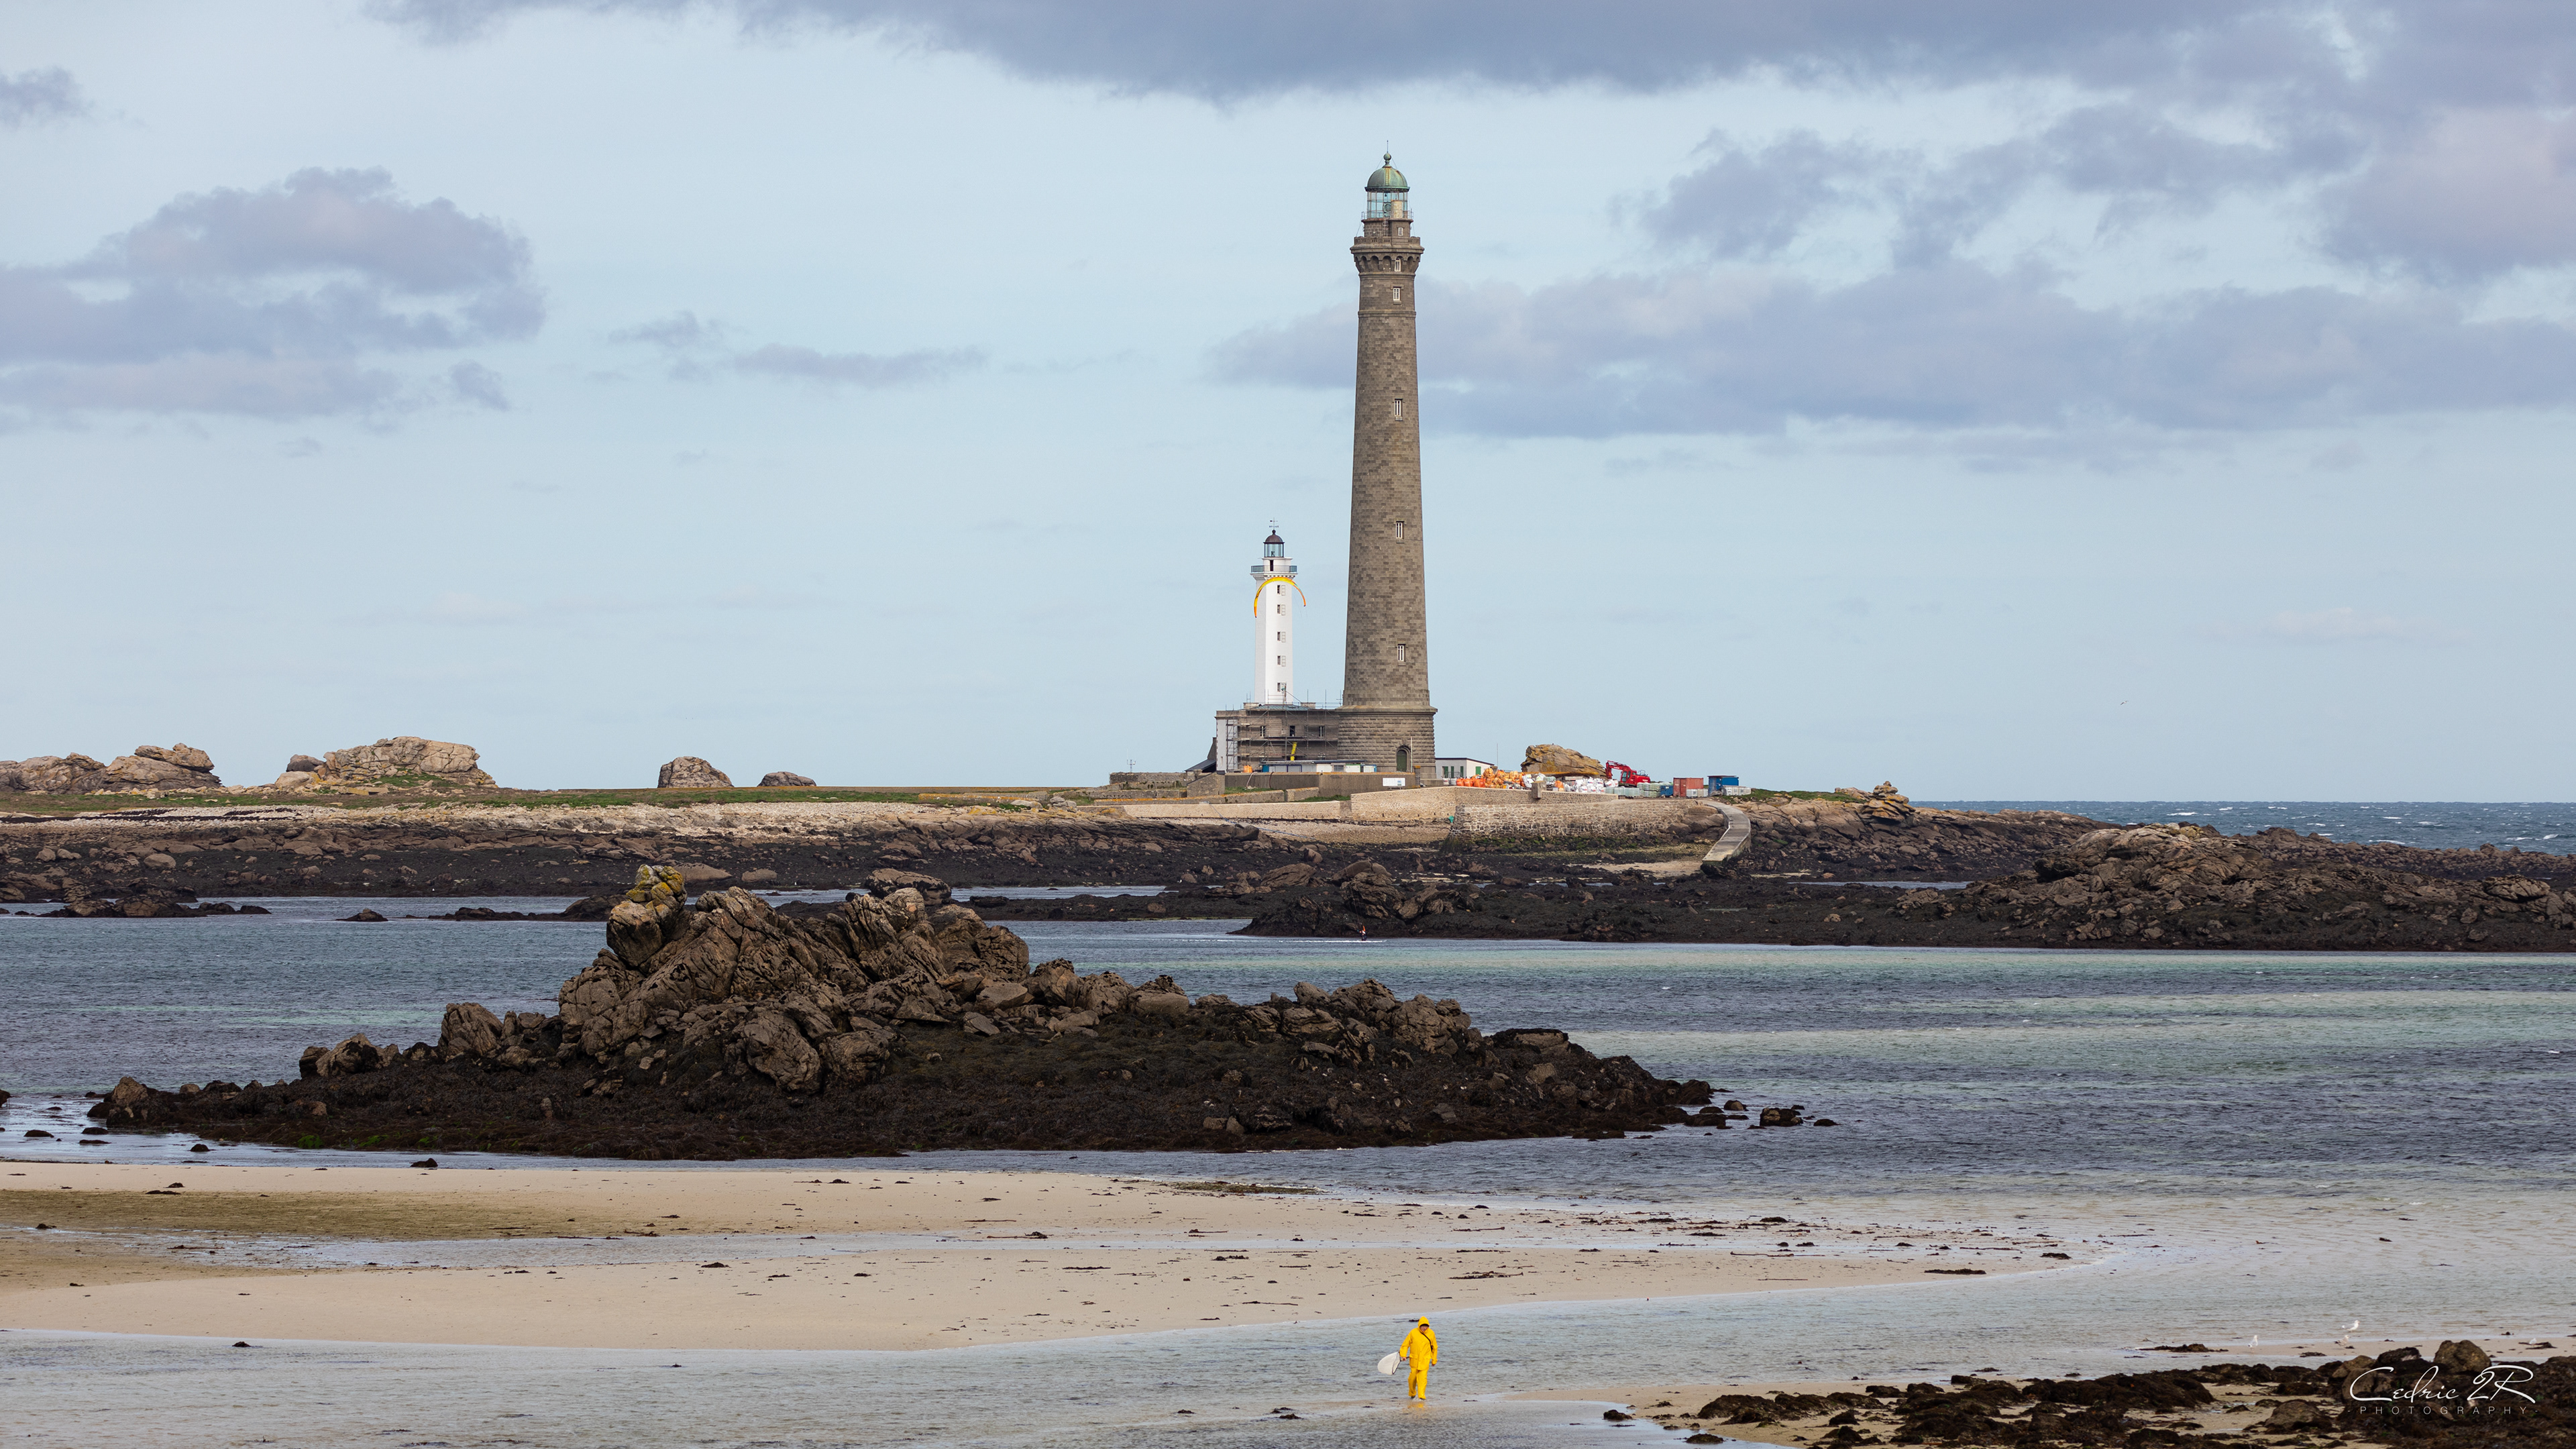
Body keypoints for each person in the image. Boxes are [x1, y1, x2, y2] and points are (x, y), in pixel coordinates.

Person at [1397, 1316, 1438, 1401]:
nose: (1424, 1328)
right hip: (1414, 1360)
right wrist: (1403, 1355)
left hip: (1425, 1360)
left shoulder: (1431, 1333)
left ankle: (1421, 1396)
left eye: (1426, 1326)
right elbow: (1405, 1345)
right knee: (1412, 1379)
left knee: (1423, 1379)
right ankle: (1412, 1394)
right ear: (1419, 1325)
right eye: (1423, 1326)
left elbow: (1435, 1348)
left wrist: (1434, 1360)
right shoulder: (1413, 1333)